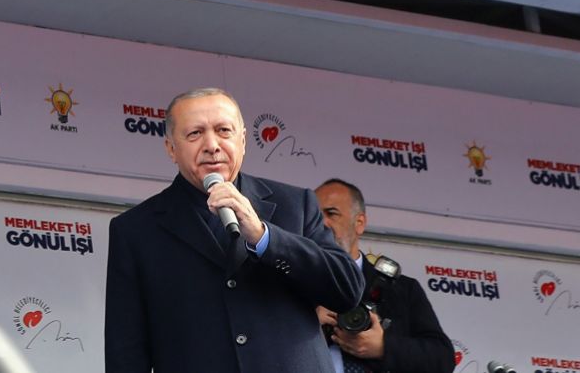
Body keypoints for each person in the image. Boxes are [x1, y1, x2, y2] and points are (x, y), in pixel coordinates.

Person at [104, 87, 363, 373]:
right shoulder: (136, 229)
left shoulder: (295, 204)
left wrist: (266, 237)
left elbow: (346, 289)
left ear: (242, 141)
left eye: (223, 131)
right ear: (170, 148)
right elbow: (124, 350)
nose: (212, 145)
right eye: (195, 134)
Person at [313, 179, 455, 373]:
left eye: (331, 213)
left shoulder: (402, 290)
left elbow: (442, 359)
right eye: (314, 216)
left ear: (359, 223)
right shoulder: (290, 287)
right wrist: (307, 323)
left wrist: (383, 347)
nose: (322, 223)